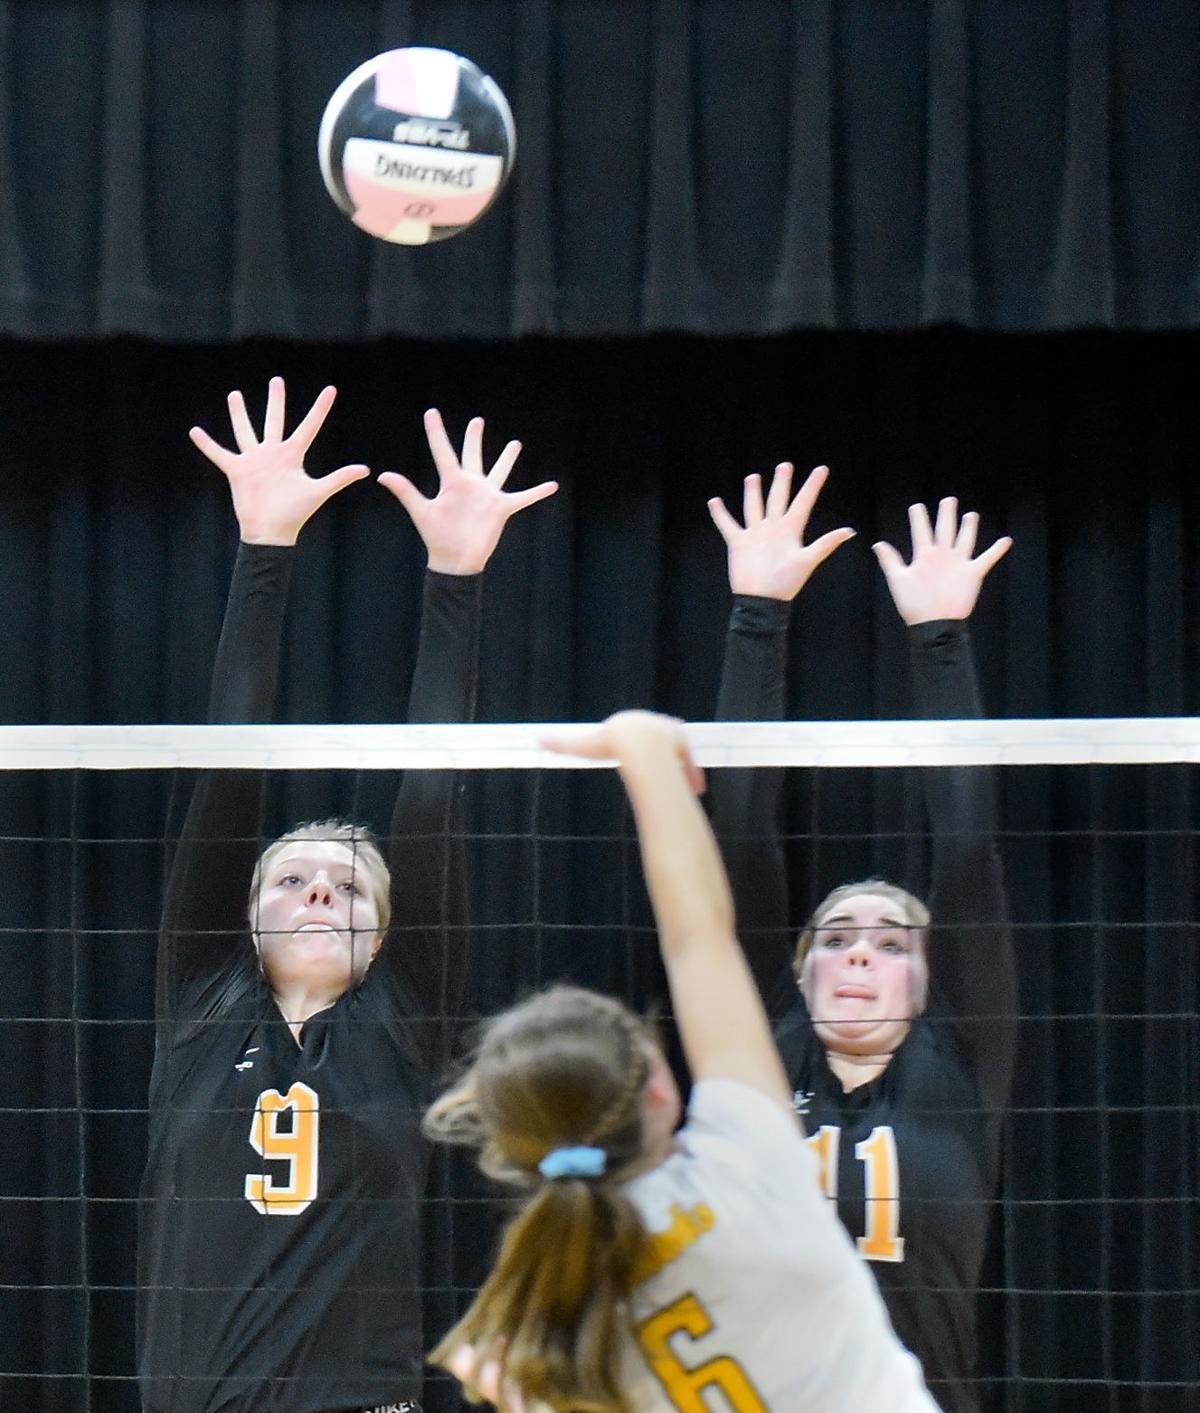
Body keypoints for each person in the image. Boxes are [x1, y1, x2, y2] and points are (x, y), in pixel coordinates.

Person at [137, 377, 557, 1413]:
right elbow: (229, 769)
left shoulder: (400, 1019)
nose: (323, 890)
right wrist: (264, 547)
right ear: (244, 915)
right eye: (293, 877)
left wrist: (457, 574)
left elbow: (429, 788)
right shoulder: (201, 1002)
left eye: (349, 884)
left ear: (385, 934)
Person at [424, 710, 939, 1412]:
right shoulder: (744, 1164)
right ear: (660, 1088)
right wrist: (645, 754)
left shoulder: (551, 1329)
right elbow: (697, 936)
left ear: (519, 1145)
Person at [706, 466, 1018, 1412]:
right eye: (836, 937)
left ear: (930, 982)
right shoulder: (762, 1051)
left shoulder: (960, 1062)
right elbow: (740, 834)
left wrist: (941, 637)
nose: (857, 955)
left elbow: (966, 849)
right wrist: (757, 612)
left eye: (891, 943)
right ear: (797, 973)